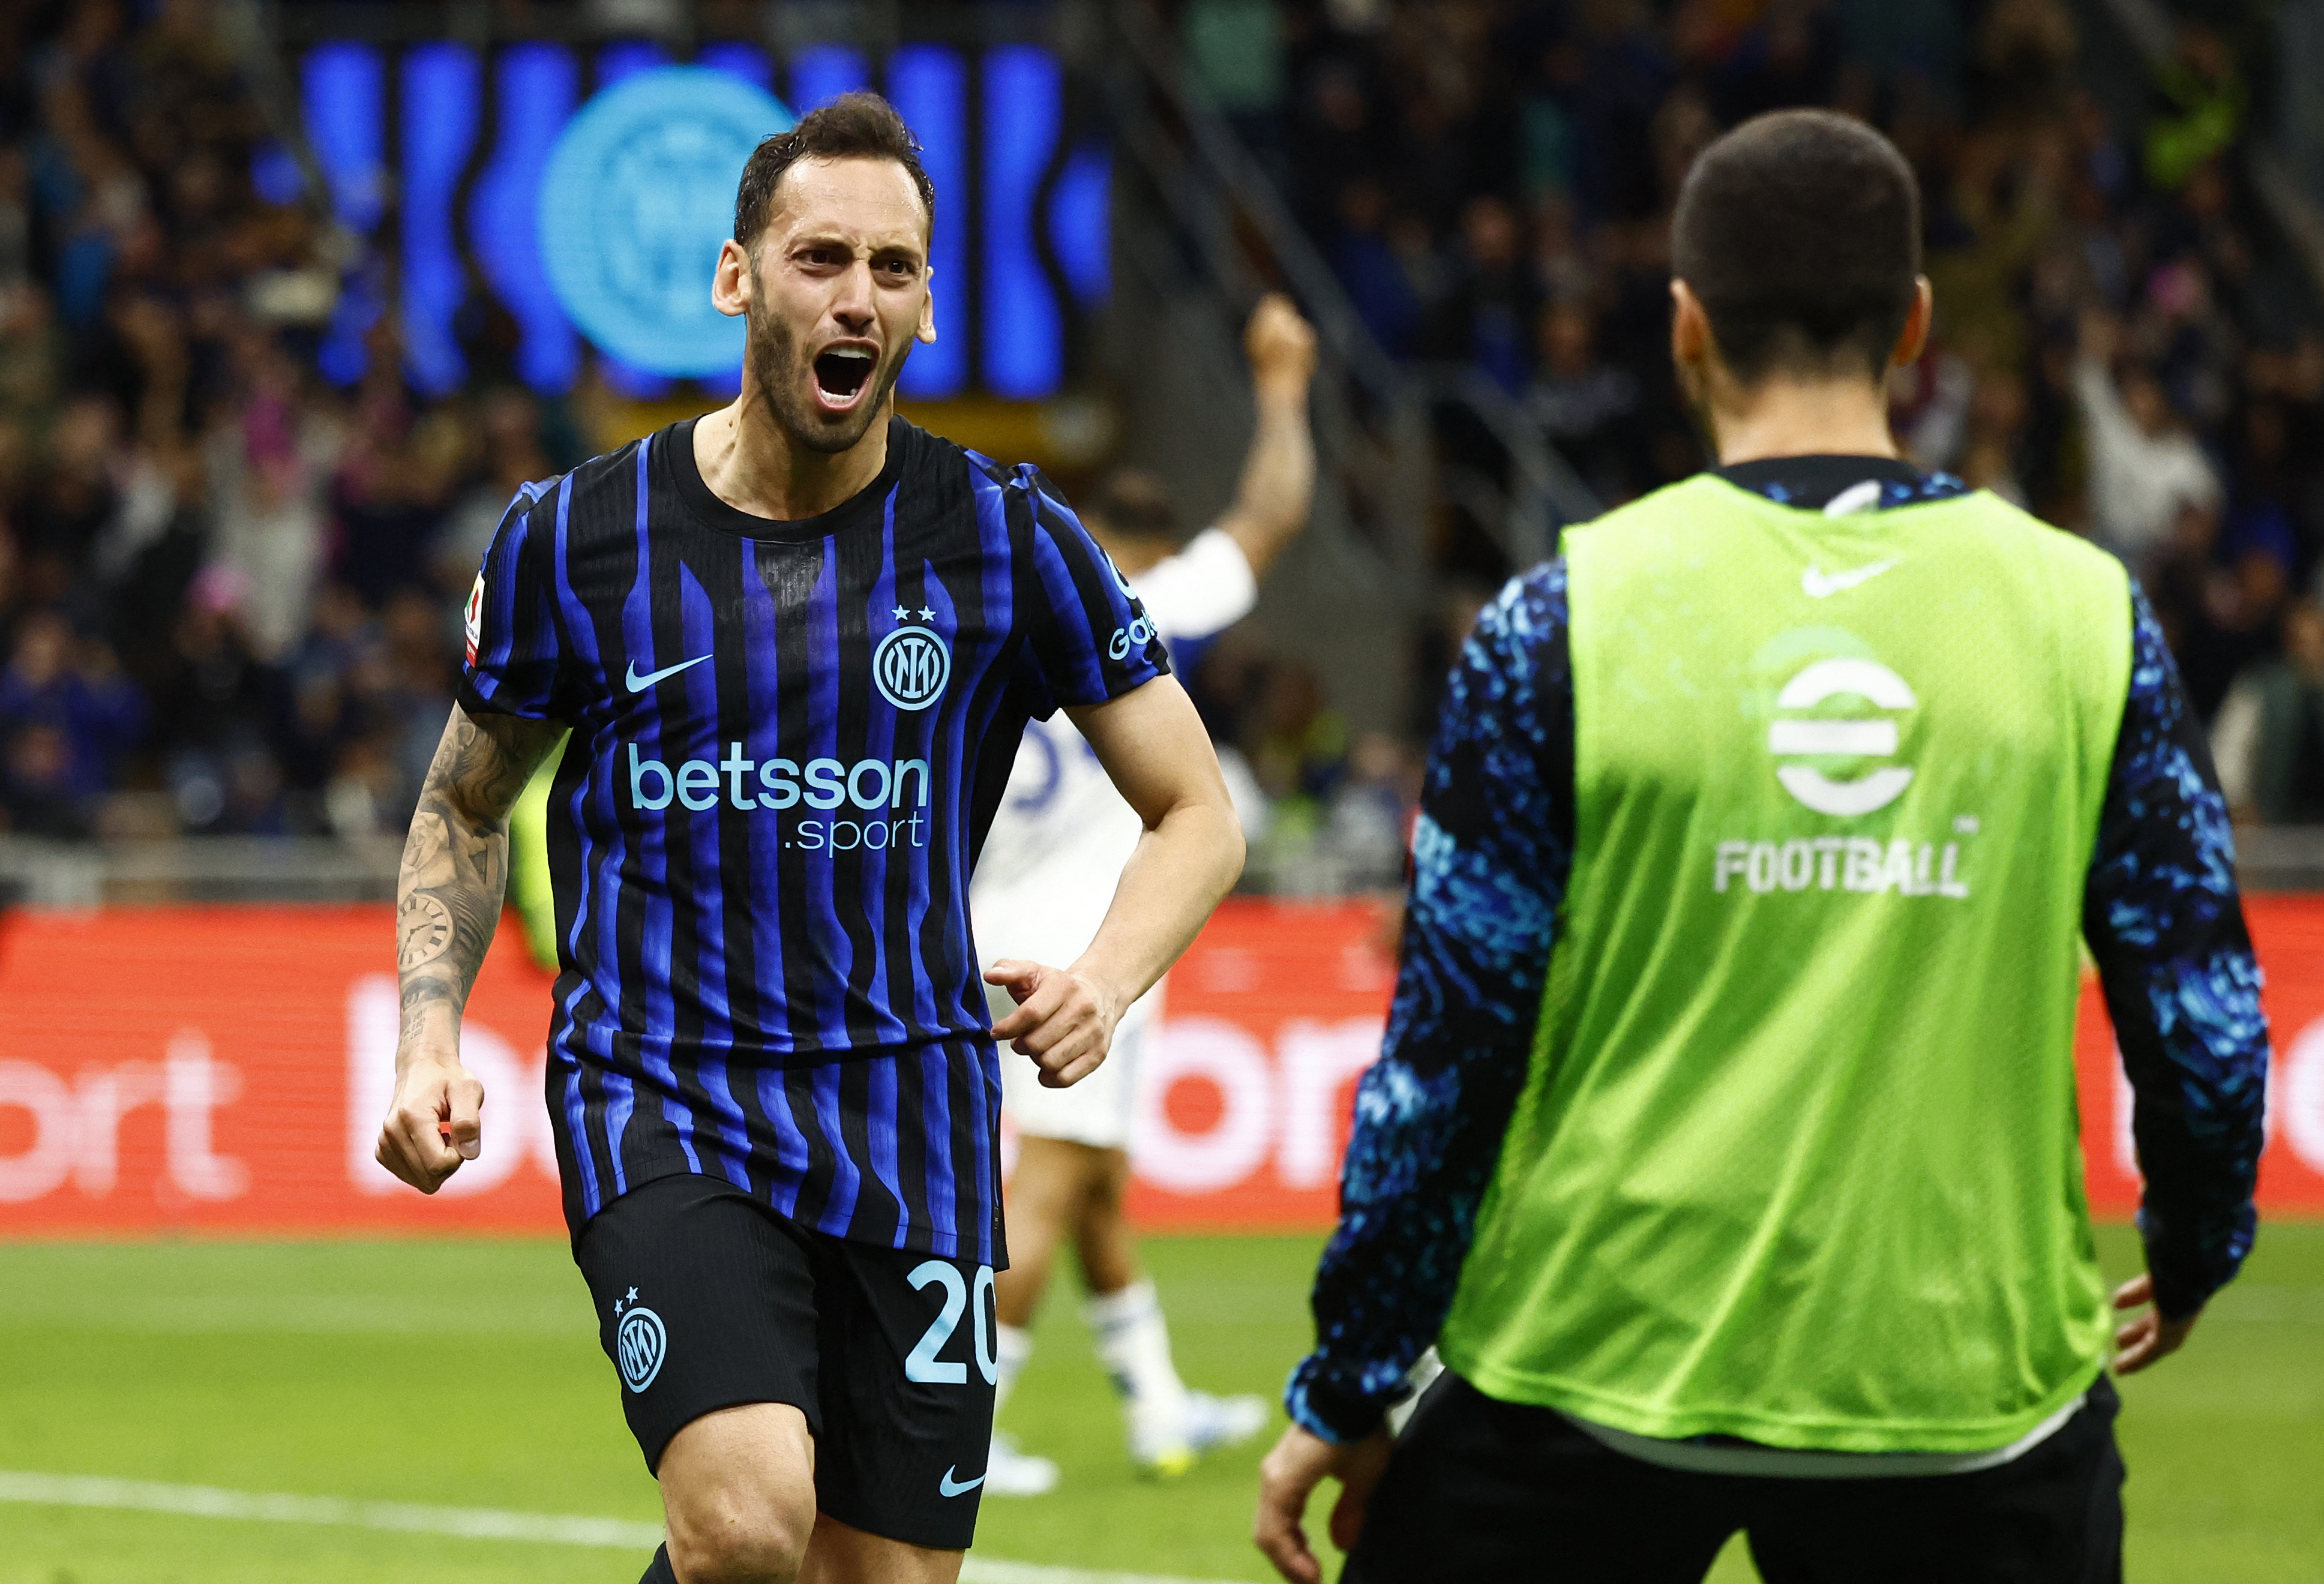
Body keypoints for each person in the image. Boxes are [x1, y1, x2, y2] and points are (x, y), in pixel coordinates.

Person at [1253, 109, 2269, 1584]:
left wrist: (1351, 1377)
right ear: (1913, 324)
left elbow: (1446, 1055)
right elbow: (2203, 1023)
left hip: (1588, 1371)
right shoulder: (2083, 615)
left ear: (1684, 326)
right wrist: (2191, 1246)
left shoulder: (1559, 618)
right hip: (1968, 1393)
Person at [374, 94, 1245, 1584]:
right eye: (820, 257)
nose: (856, 296)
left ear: (926, 305)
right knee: (745, 1526)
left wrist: (1106, 979)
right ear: (736, 279)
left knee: (874, 1577)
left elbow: (1198, 812)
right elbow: (460, 803)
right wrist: (426, 1039)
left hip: (913, 1111)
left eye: (891, 268)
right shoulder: (574, 539)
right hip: (666, 1091)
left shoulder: (1008, 539)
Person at [972, 293, 1319, 1493]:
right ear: (1153, 552)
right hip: (1092, 940)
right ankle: (966, 1426)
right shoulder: (1137, 605)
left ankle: (1156, 1405)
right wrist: (1281, 382)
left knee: (1094, 1180)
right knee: (1053, 1178)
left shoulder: (998, 617)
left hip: (986, 927)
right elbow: (1270, 516)